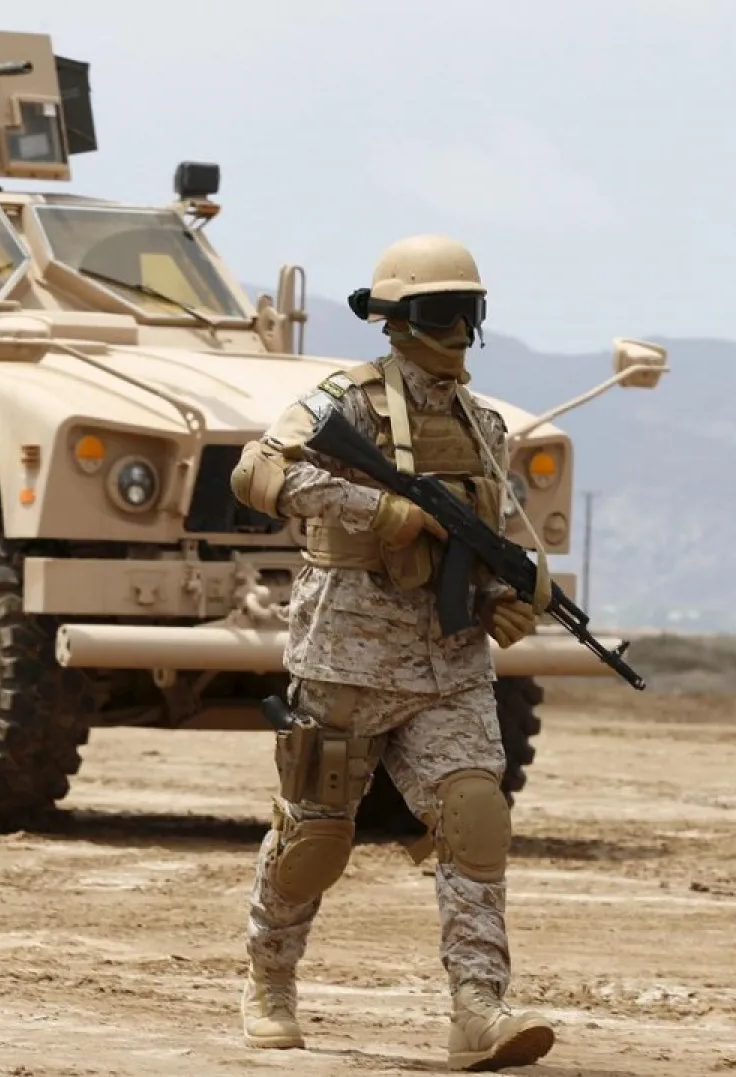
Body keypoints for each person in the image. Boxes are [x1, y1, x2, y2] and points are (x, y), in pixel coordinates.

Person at [228, 235, 554, 1071]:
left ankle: (477, 1006)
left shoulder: (484, 427)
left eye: (470, 312)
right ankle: (270, 977)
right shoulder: (346, 405)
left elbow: (474, 544)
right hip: (346, 655)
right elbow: (257, 472)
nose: (459, 330)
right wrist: (377, 510)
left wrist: (504, 598)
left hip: (449, 663)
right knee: (315, 837)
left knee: (476, 818)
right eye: (442, 312)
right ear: (398, 320)